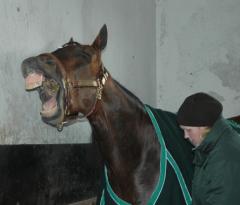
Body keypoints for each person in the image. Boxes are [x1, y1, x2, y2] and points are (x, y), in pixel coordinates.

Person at [177, 92, 240, 205]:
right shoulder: (211, 147)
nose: (185, 136)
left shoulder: (225, 158)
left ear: (204, 127)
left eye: (189, 130)